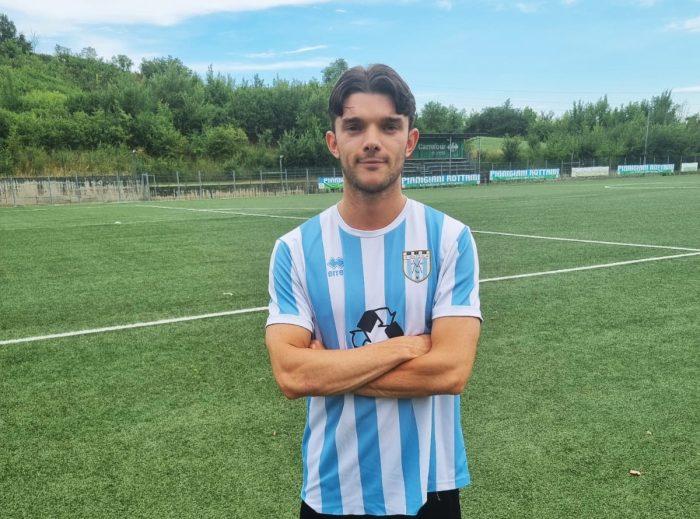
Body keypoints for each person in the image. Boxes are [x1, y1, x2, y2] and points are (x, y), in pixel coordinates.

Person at [265, 64, 482, 518]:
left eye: (388, 126)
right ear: (333, 141)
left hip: (430, 487)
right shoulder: (295, 249)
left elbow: (450, 371)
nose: (371, 140)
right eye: (354, 126)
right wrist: (404, 348)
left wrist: (329, 369)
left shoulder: (450, 239)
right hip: (332, 491)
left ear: (410, 140)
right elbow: (292, 376)